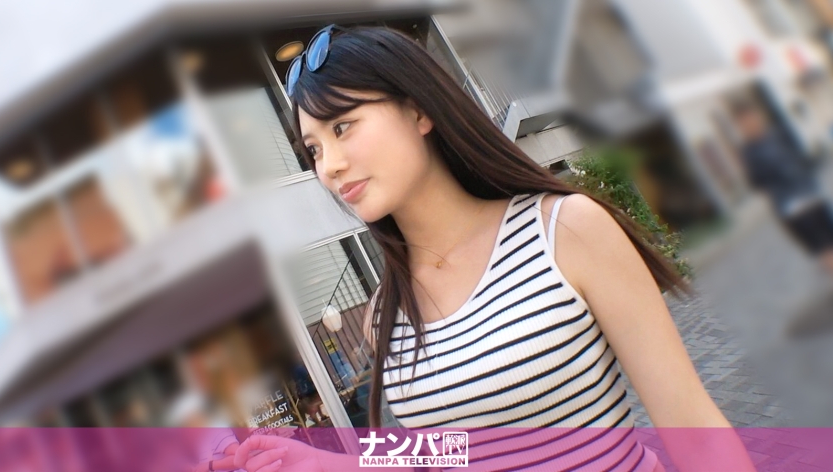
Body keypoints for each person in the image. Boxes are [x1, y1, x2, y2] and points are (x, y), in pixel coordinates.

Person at [234, 25, 754, 472]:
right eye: (314, 150)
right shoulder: (384, 316)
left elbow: (695, 431)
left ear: (418, 111)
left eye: (342, 126)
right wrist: (326, 463)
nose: (329, 166)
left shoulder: (564, 231)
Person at [731, 99, 833, 276]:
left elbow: (800, 158)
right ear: (741, 126)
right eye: (745, 122)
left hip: (811, 195)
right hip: (792, 208)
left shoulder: (778, 134)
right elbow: (757, 182)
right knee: (821, 246)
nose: (752, 123)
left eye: (753, 117)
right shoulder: (749, 153)